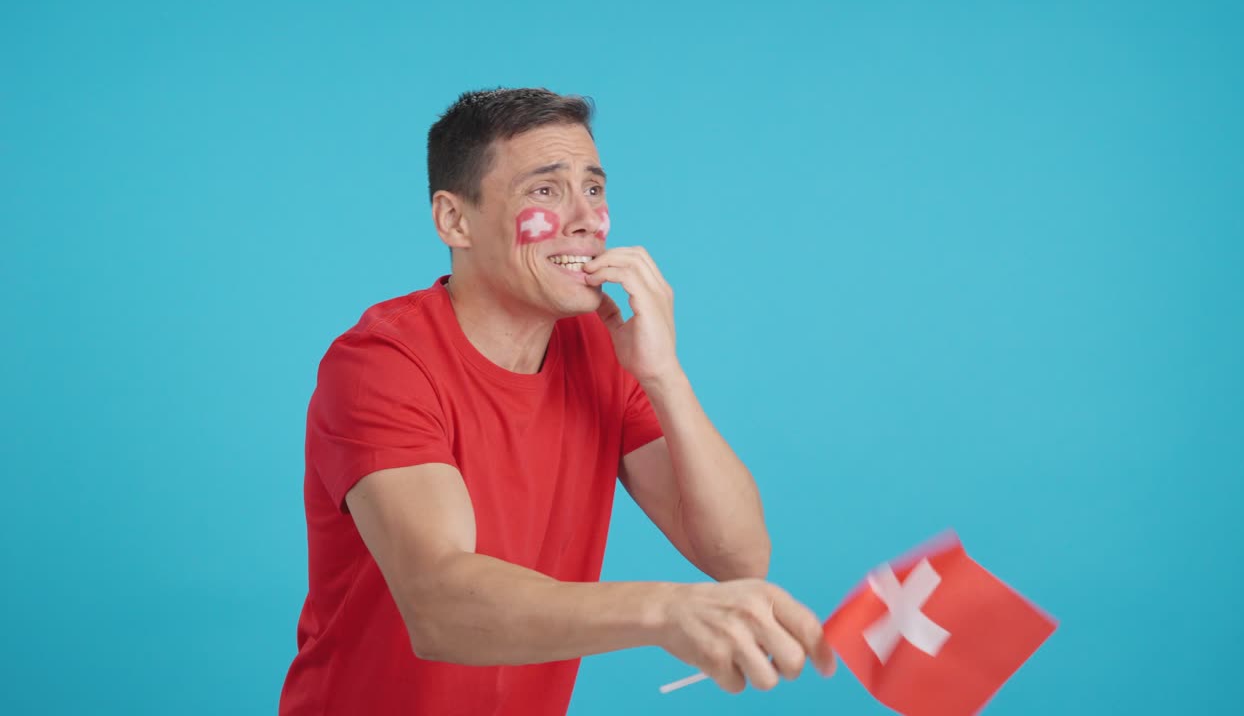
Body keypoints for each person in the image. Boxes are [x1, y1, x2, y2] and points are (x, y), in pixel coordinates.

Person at [278, 87, 837, 715]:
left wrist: (663, 375)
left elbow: (737, 557)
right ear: (454, 220)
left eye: (594, 190)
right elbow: (438, 603)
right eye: (545, 191)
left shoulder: (602, 350)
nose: (586, 220)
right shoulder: (382, 364)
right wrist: (665, 610)